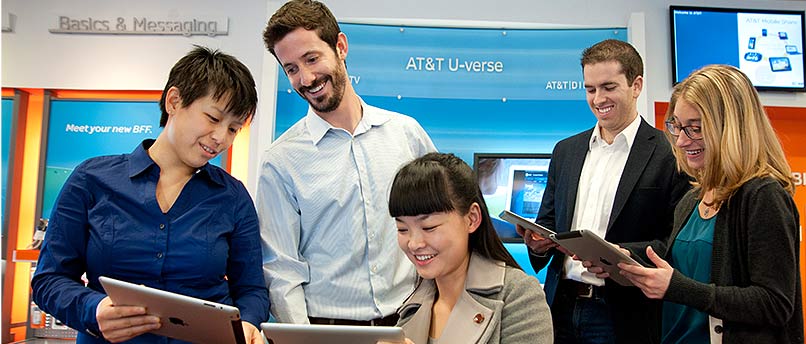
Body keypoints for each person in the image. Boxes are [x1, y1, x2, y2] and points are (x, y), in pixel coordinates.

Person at [31, 45, 269, 343]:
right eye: (212, 118)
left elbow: (251, 289)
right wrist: (94, 310)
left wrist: (247, 323)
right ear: (174, 101)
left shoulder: (232, 197)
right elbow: (48, 280)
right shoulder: (91, 179)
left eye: (234, 129)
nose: (221, 138)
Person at [258, 0, 436, 326]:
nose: (306, 78)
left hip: (411, 322)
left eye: (312, 59)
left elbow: (441, 223)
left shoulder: (406, 134)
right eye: (291, 69)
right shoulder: (280, 160)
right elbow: (282, 270)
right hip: (328, 328)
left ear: (340, 46)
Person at [600, 64, 803, 343]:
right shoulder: (692, 200)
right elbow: (673, 270)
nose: (682, 141)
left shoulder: (762, 197)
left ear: (731, 128)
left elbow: (774, 304)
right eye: (678, 127)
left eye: (695, 128)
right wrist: (620, 257)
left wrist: (678, 288)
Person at [516, 39, 690, 343]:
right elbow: (549, 221)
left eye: (608, 87)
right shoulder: (566, 151)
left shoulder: (670, 153)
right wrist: (537, 242)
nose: (598, 99)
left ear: (636, 85)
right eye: (590, 89)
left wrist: (625, 255)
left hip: (625, 314)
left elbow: (676, 243)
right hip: (561, 306)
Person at [389, 153, 553, 344]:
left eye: (429, 228)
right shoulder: (412, 305)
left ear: (472, 218)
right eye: (402, 229)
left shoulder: (518, 296)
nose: (414, 243)